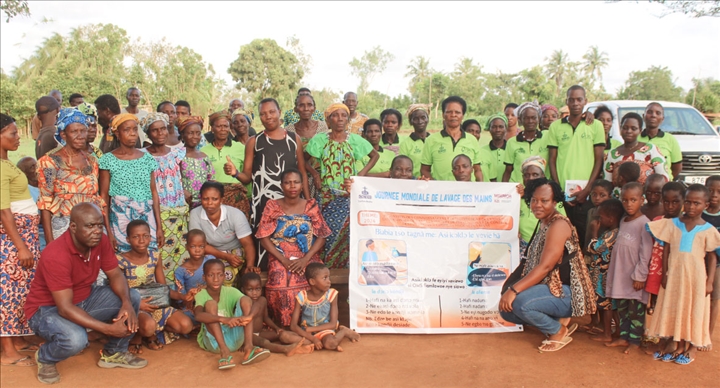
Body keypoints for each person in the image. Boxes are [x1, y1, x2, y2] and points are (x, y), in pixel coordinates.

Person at [25, 203, 146, 384]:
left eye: (99, 225)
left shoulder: (100, 241)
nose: (97, 231)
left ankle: (114, 353)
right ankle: (45, 357)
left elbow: (115, 274)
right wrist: (107, 329)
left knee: (133, 297)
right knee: (76, 339)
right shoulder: (56, 254)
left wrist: (126, 302)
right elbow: (65, 308)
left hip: (85, 299)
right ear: (73, 227)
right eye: (90, 226)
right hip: (46, 309)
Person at [498, 178, 596, 352]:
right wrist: (509, 290)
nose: (537, 205)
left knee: (519, 302)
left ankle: (557, 330)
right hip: (550, 287)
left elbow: (545, 267)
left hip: (568, 292)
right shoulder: (543, 222)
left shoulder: (558, 224)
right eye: (534, 200)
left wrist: (513, 291)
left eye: (544, 201)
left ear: (555, 202)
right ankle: (556, 318)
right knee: (506, 309)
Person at [225, 98, 311, 269]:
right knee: (265, 243)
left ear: (279, 112)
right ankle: (264, 286)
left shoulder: (294, 139)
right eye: (263, 114)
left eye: (271, 112)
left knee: (292, 240)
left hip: (292, 203)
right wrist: (235, 173)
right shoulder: (254, 142)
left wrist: (308, 202)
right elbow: (247, 177)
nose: (268, 116)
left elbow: (302, 172)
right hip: (263, 203)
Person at [646, 184, 720, 364]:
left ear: (706, 205)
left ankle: (691, 348)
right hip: (675, 276)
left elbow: (711, 257)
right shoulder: (673, 224)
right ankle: (676, 345)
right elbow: (666, 249)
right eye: (688, 202)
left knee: (693, 309)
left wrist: (710, 281)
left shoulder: (709, 230)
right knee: (674, 306)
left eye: (696, 203)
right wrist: (664, 274)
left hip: (696, 278)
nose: (691, 207)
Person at [306, 103, 378, 268]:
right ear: (328, 120)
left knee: (347, 236)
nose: (340, 119)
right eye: (335, 115)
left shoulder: (354, 140)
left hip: (348, 196)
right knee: (325, 234)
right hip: (325, 197)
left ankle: (345, 273)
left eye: (343, 115)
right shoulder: (320, 140)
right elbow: (303, 160)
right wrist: (315, 173)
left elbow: (375, 156)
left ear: (347, 119)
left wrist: (359, 176)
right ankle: (325, 272)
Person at [256, 169, 331, 326]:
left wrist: (305, 260)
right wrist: (282, 260)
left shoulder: (310, 206)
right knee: (281, 282)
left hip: (307, 255)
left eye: (296, 182)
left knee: (315, 279)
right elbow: (263, 237)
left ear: (302, 184)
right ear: (281, 185)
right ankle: (284, 325)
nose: (292, 186)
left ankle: (312, 324)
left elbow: (322, 236)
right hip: (280, 256)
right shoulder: (272, 206)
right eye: (288, 182)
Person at [1, 114, 41, 368]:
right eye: (12, 134)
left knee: (20, 290)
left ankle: (15, 340)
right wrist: (21, 245)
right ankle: (7, 350)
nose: (18, 138)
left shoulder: (7, 162)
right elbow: (3, 210)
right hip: (14, 239)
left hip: (24, 234)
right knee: (7, 292)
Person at [117, 220, 192, 353]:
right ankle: (140, 336)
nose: (141, 240)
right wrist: (137, 304)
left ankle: (148, 334)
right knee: (148, 326)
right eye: (136, 236)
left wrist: (183, 296)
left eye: (145, 236)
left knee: (186, 326)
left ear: (150, 238)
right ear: (128, 239)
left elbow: (162, 288)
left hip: (156, 303)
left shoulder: (154, 256)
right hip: (133, 305)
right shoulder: (121, 260)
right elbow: (116, 290)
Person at [547, 85, 605, 242]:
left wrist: (587, 190)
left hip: (586, 194)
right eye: (571, 100)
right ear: (567, 102)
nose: (575, 103)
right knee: (561, 237)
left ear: (585, 101)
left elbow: (599, 159)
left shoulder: (595, 125)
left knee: (584, 237)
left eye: (579, 99)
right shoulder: (556, 127)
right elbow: (552, 159)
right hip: (563, 194)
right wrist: (558, 190)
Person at [98, 113, 163, 253]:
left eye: (135, 130)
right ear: (117, 133)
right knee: (123, 257)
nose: (132, 134)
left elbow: (154, 193)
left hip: (146, 217)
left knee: (148, 255)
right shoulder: (108, 160)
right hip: (120, 218)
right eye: (127, 130)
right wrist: (108, 231)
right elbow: (104, 197)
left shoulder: (147, 159)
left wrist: (159, 226)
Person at [37, 108, 104, 243]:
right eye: (74, 131)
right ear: (63, 134)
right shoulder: (49, 162)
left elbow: (97, 198)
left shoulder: (92, 160)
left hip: (93, 228)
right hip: (64, 227)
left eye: (83, 130)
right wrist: (50, 242)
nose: (80, 136)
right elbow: (45, 204)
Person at [194, 259, 270, 369]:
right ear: (204, 277)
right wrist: (223, 319)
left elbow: (253, 303)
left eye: (220, 275)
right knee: (211, 304)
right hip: (215, 343)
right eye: (211, 275)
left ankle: (249, 348)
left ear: (224, 276)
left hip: (236, 340)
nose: (216, 279)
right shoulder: (201, 295)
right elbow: (198, 315)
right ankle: (225, 353)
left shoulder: (230, 291)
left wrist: (250, 316)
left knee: (245, 299)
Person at [605, 182, 653, 354]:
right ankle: (624, 337)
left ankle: (635, 341)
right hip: (621, 276)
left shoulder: (644, 223)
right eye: (625, 200)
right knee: (623, 309)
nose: (629, 204)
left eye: (633, 200)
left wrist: (640, 276)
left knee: (636, 312)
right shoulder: (623, 221)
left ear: (642, 200)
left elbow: (646, 253)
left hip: (634, 279)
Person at [141, 113, 189, 281]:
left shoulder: (177, 153)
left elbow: (181, 180)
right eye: (155, 130)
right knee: (158, 253)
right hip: (155, 214)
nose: (160, 133)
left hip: (178, 213)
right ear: (148, 133)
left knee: (179, 253)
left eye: (163, 129)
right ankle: (163, 291)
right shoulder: (142, 156)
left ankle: (179, 291)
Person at [189, 182, 257, 286]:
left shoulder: (235, 215)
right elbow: (200, 245)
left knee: (224, 277)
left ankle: (226, 301)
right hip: (209, 253)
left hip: (234, 252)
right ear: (200, 199)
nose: (209, 203)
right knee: (197, 277)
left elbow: (248, 244)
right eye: (205, 199)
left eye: (214, 199)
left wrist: (250, 265)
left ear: (221, 199)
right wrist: (224, 256)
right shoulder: (195, 214)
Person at [238, 273, 314, 355]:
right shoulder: (243, 303)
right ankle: (285, 349)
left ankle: (306, 341)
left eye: (258, 289)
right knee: (264, 342)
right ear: (243, 289)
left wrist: (276, 328)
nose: (255, 293)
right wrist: (243, 342)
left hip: (260, 333)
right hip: (248, 335)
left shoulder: (263, 300)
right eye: (250, 290)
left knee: (282, 334)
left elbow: (266, 318)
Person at [290, 263, 360, 351]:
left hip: (325, 331)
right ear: (312, 281)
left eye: (328, 277)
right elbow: (293, 326)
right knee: (284, 337)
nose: (329, 281)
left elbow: (333, 324)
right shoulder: (302, 296)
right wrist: (313, 338)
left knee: (330, 343)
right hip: (307, 334)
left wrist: (311, 329)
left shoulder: (331, 295)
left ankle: (344, 331)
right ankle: (317, 342)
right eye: (324, 278)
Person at [644, 182, 684, 320]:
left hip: (674, 267)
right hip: (656, 265)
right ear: (662, 201)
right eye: (666, 202)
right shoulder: (657, 221)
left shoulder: (685, 224)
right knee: (654, 293)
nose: (671, 206)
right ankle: (653, 327)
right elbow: (650, 245)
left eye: (675, 202)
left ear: (683, 201)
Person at [200, 111, 251, 219]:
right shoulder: (203, 151)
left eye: (225, 126)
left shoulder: (241, 148)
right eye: (219, 126)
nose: (223, 130)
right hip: (212, 200)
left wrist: (235, 173)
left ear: (229, 128)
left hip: (236, 199)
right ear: (212, 129)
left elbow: (247, 179)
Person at [586, 198, 623, 342]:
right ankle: (616, 330)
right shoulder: (611, 232)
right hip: (603, 275)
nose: (599, 220)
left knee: (606, 305)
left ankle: (607, 333)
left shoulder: (612, 234)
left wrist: (594, 232)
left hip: (604, 276)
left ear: (611, 218)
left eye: (601, 217)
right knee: (609, 306)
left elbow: (595, 248)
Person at [515, 157, 566, 261]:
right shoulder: (516, 197)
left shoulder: (553, 197)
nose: (530, 178)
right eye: (527, 175)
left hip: (547, 248)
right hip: (521, 250)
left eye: (535, 174)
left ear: (543, 176)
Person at [420, 96, 483, 182]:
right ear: (443, 115)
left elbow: (477, 170)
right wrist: (435, 187)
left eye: (457, 112)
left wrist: (480, 189)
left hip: (466, 192)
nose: (453, 115)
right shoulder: (431, 140)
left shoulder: (472, 140)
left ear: (463, 115)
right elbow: (424, 170)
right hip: (441, 193)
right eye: (449, 112)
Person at [603, 112, 669, 186]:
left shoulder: (651, 150)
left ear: (640, 130)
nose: (629, 131)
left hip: (645, 197)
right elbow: (607, 184)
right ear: (620, 129)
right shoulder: (612, 154)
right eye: (625, 128)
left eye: (633, 128)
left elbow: (663, 178)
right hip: (618, 197)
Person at [284, 94, 329, 198]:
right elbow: (295, 157)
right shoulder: (289, 130)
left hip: (322, 176)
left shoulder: (322, 126)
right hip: (300, 178)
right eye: (301, 105)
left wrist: (319, 174)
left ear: (314, 108)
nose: (306, 109)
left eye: (309, 105)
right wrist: (314, 173)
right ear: (296, 109)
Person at [502, 101, 550, 183]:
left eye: (533, 117)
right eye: (526, 118)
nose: (530, 121)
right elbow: (508, 171)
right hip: (518, 190)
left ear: (539, 118)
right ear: (520, 120)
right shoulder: (512, 142)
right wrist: (505, 191)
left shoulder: (548, 136)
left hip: (542, 189)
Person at [173, 229, 214, 325]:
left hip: (211, 301)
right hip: (192, 306)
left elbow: (218, 283)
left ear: (206, 246)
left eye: (201, 246)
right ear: (187, 247)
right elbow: (181, 299)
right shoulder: (180, 271)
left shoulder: (211, 260)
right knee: (186, 320)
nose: (197, 250)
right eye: (193, 246)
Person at [178, 116, 215, 210]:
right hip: (184, 204)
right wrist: (182, 191)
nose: (195, 137)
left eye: (198, 133)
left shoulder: (204, 156)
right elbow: (172, 180)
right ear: (182, 134)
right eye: (191, 133)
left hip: (204, 205)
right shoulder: (176, 156)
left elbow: (211, 179)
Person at [640, 102, 682, 180]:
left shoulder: (670, 139)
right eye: (649, 112)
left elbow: (677, 167)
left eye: (658, 113)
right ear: (643, 116)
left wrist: (665, 179)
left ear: (662, 119)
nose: (653, 115)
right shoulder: (636, 138)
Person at [701, 175, 720, 351]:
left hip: (717, 264)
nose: (714, 195)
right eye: (711, 190)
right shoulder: (697, 211)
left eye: (719, 192)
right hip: (697, 263)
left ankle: (707, 334)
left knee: (714, 298)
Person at [399, 104, 430, 178]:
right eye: (416, 118)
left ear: (427, 119)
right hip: (414, 183)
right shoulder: (405, 144)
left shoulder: (435, 141)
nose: (420, 121)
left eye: (423, 117)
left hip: (435, 182)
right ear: (410, 122)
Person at [583, 179, 614, 254]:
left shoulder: (610, 216)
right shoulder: (591, 212)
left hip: (601, 254)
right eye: (594, 194)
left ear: (609, 197)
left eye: (602, 195)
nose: (597, 198)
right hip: (588, 251)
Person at [478, 113, 508, 182]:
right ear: (489, 129)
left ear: (506, 129)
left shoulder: (511, 150)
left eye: (501, 127)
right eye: (494, 127)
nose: (497, 130)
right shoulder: (482, 151)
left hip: (510, 191)